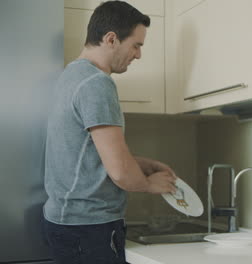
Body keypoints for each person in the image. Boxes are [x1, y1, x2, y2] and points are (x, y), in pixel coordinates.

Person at [42, 1, 176, 263]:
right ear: (111, 39)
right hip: (88, 228)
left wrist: (143, 165)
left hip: (65, 223)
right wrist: (149, 184)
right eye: (136, 45)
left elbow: (85, 157)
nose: (138, 55)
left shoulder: (70, 77)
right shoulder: (97, 83)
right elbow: (119, 171)